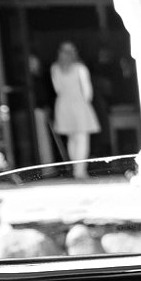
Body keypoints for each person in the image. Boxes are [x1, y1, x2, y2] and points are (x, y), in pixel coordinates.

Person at [49, 40, 100, 179]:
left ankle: (76, 168)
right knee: (81, 137)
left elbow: (57, 89)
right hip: (79, 103)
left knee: (71, 138)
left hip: (63, 104)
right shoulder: (80, 68)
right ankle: (80, 170)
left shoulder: (55, 68)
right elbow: (87, 91)